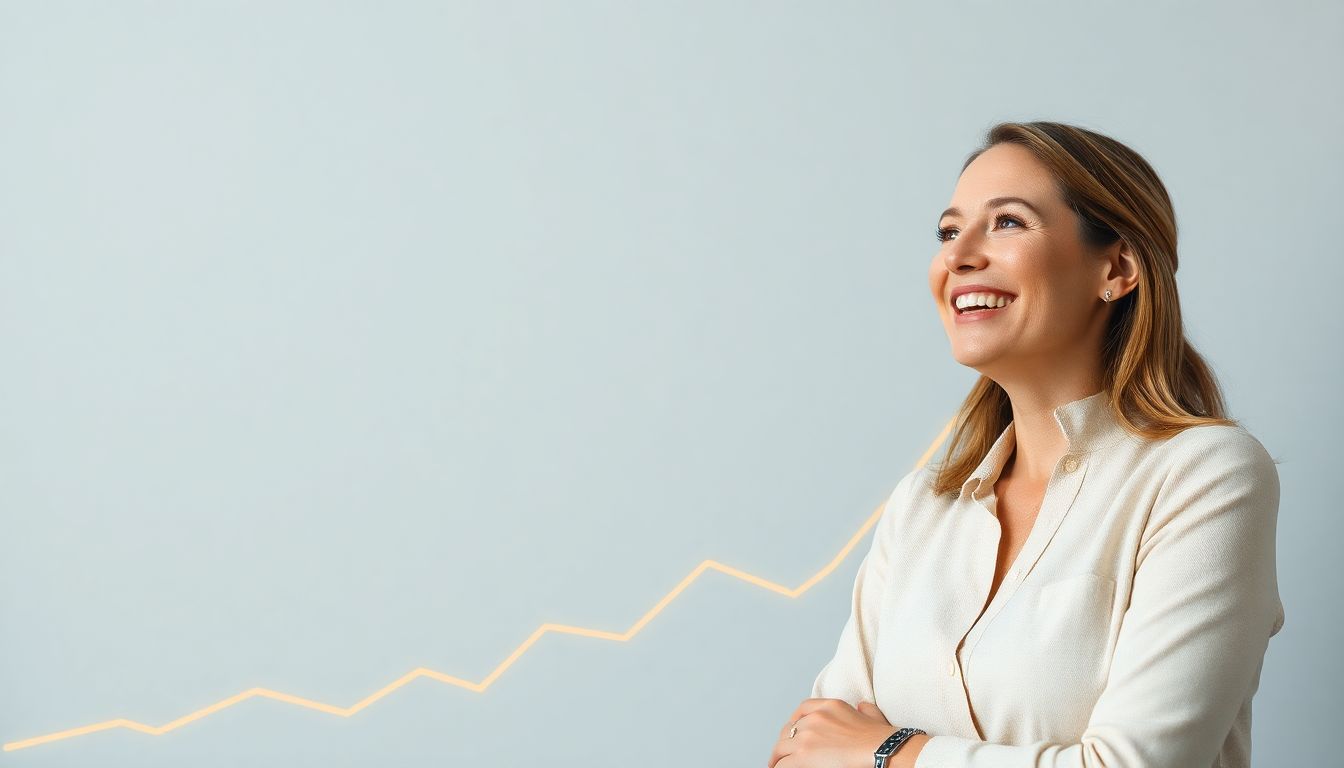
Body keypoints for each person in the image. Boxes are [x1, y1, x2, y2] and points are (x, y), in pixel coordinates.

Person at [766, 121, 1284, 768]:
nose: (958, 257)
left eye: (1008, 222)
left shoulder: (1206, 476)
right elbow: (805, 751)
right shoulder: (924, 505)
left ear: (1117, 267)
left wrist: (893, 753)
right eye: (949, 231)